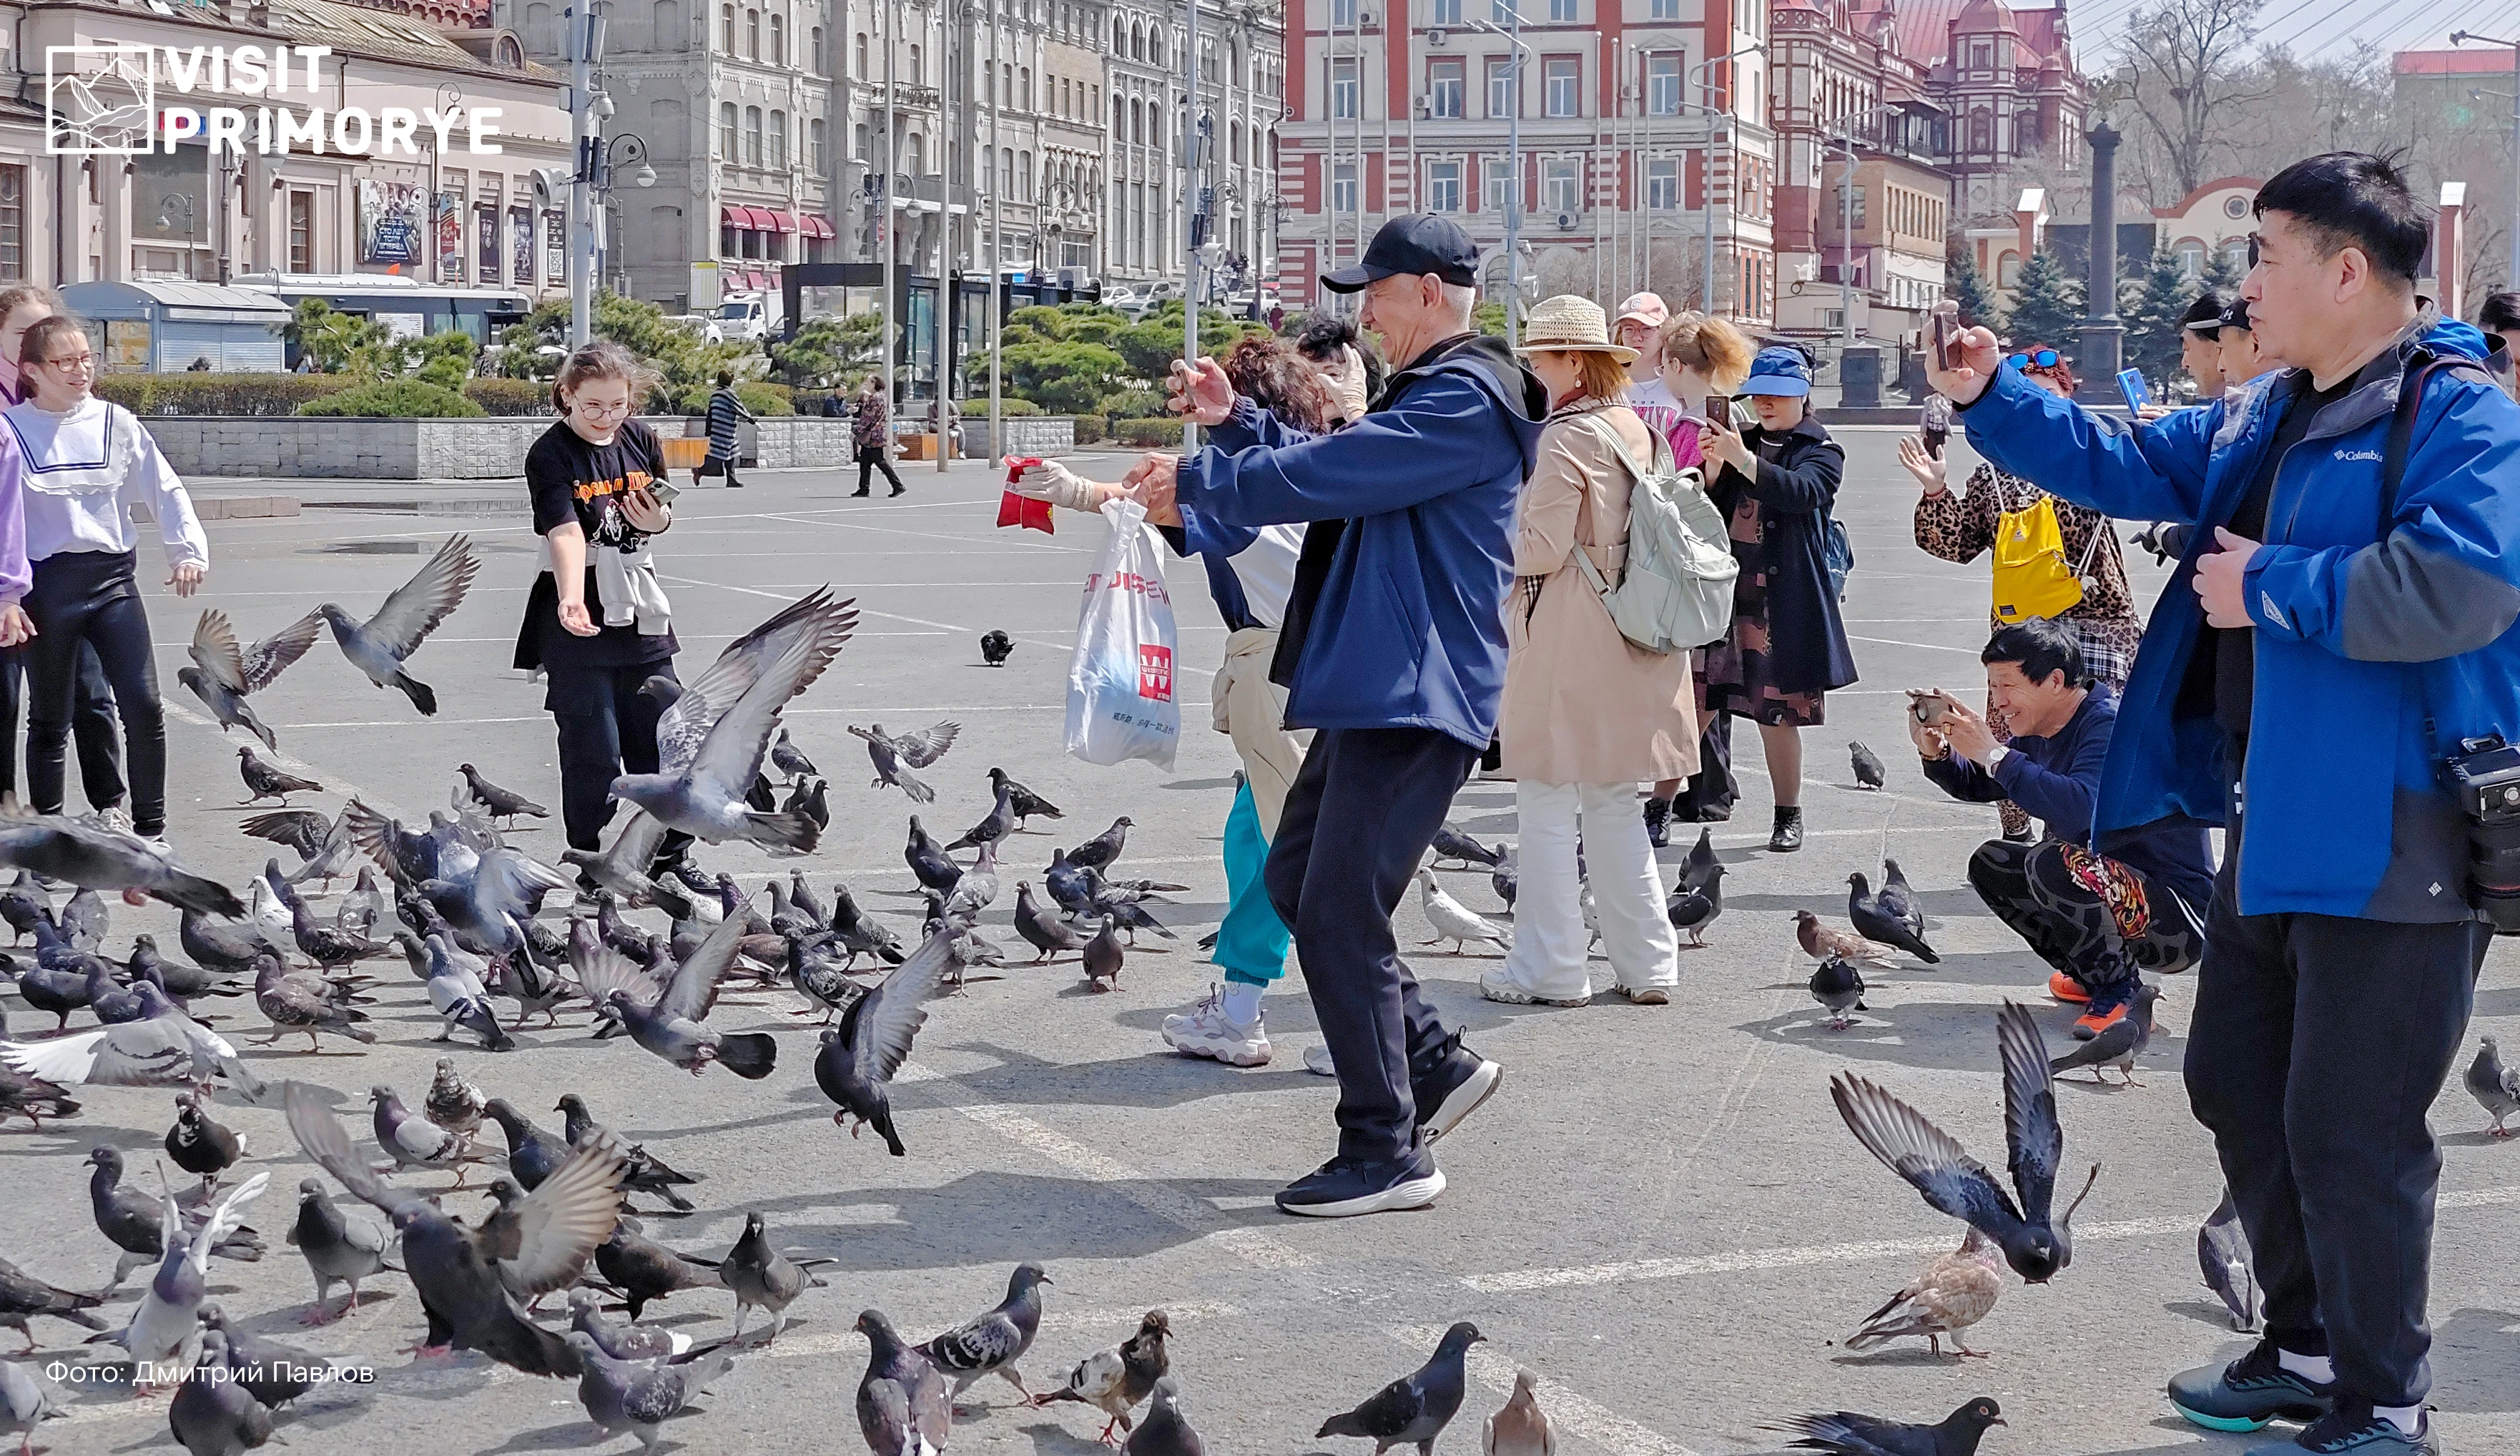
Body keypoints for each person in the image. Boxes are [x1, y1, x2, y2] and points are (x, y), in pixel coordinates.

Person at [1926, 152, 2517, 1456]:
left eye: (2263, 255)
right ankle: (2302, 1346)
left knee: (2352, 1130)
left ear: (2346, 271)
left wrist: (2272, 589)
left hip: (2397, 824)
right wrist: (1990, 399)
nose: (2242, 284)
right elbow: (2125, 457)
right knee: (2234, 1082)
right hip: (2271, 817)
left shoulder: (2457, 414)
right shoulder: (2267, 414)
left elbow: (2462, 585)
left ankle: (2385, 1403)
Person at [1131, 214, 1542, 1218]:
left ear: (1434, 291)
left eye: (1378, 288)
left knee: (1339, 909)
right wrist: (1235, 428)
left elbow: (1341, 475)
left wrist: (1201, 481)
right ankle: (1431, 1062)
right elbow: (1345, 465)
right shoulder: (1434, 394)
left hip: (1419, 689)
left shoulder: (1469, 397)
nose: (1363, 309)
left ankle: (1385, 1150)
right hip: (1380, 682)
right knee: (1299, 878)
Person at [1012, 334, 1319, 1068]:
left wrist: (1075, 491)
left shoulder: (1247, 484)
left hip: (1278, 678)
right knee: (1267, 846)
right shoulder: (1312, 471)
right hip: (1309, 675)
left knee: (1303, 863)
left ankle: (1366, 1027)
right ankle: (1251, 1007)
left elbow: (1160, 500)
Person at [1480, 295, 1693, 1008]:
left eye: (1539, 359)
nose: (1532, 373)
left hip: (1571, 629)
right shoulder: (1638, 427)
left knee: (1543, 800)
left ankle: (1550, 966)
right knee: (1613, 803)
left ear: (1573, 361)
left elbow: (1538, 547)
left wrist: (1474, 547)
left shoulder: (1564, 438)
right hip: (1639, 629)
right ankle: (1647, 963)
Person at [1914, 619, 2213, 1033]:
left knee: (2054, 861)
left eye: (2007, 686)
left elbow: (2080, 810)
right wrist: (1940, 753)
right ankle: (2095, 975)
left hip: (2176, 918)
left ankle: (2119, 990)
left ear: (2055, 681)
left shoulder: (2110, 726)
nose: (1996, 702)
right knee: (1993, 862)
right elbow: (1986, 782)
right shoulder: (2044, 726)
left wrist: (1996, 755)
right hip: (2119, 891)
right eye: (1993, 687)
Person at [1903, 343, 2144, 850]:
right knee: (2015, 733)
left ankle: (2103, 842)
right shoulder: (1994, 474)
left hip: (2096, 621)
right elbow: (1955, 543)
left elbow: (2140, 491)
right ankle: (2018, 836)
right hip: (2024, 630)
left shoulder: (2091, 454)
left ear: (2069, 402)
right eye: (2027, 400)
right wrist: (1934, 491)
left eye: (2049, 399)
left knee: (2104, 740)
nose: (2040, 414)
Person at [3, 316, 202, 847]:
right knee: (49, 719)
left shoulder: (117, 422)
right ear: (32, 370)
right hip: (47, 586)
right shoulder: (11, 429)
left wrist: (187, 551)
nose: (81, 371)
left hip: (112, 581)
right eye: (66, 362)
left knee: (142, 703)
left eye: (88, 359)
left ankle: (150, 831)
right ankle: (47, 833)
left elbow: (164, 487)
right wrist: (8, 594)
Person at [516, 342, 680, 879]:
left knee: (661, 739)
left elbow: (661, 516)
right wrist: (569, 596)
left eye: (618, 405)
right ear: (566, 396)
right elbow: (564, 530)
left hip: (638, 605)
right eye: (593, 407)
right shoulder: (550, 454)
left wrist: (655, 522)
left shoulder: (642, 438)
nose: (607, 417)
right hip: (578, 608)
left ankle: (670, 859)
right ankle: (592, 859)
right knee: (594, 750)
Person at [1692, 345, 1857, 852]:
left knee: (1778, 715)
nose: (1765, 404)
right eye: (1759, 394)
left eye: (1778, 395)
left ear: (1804, 395)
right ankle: (1658, 804)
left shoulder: (1821, 449)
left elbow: (1801, 492)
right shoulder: (1739, 440)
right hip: (1725, 594)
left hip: (1780, 601)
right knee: (1696, 704)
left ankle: (1788, 814)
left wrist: (1741, 459)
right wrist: (1715, 471)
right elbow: (1710, 512)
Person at [0, 287, 122, 821]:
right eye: (24, 332)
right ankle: (7, 816)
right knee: (5, 705)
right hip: (8, 584)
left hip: (62, 575)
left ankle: (109, 807)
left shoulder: (66, 399)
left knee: (92, 696)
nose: (41, 338)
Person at [1649, 312, 1758, 835]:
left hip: (1692, 567)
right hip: (1717, 567)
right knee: (1703, 693)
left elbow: (1685, 495)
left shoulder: (1693, 425)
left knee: (1693, 693)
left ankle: (1662, 802)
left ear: (1675, 364)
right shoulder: (1726, 420)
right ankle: (1681, 795)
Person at [1610, 292, 1680, 440]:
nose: (1637, 337)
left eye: (1647, 329)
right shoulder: (1609, 381)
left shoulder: (1678, 381)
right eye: (1629, 329)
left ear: (1664, 332)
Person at [851, 374, 906, 497]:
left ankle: (897, 485)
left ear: (875, 384)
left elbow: (868, 418)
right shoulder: (880, 397)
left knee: (880, 462)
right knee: (865, 462)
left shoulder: (875, 398)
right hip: (875, 434)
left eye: (869, 382)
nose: (867, 384)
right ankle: (863, 488)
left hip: (873, 435)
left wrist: (856, 432)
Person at [701, 369, 752, 489]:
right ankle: (700, 471)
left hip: (717, 428)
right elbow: (738, 407)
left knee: (731, 453)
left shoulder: (715, 394)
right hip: (726, 429)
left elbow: (710, 413)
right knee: (720, 455)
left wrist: (708, 430)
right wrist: (750, 418)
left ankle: (731, 479)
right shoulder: (729, 394)